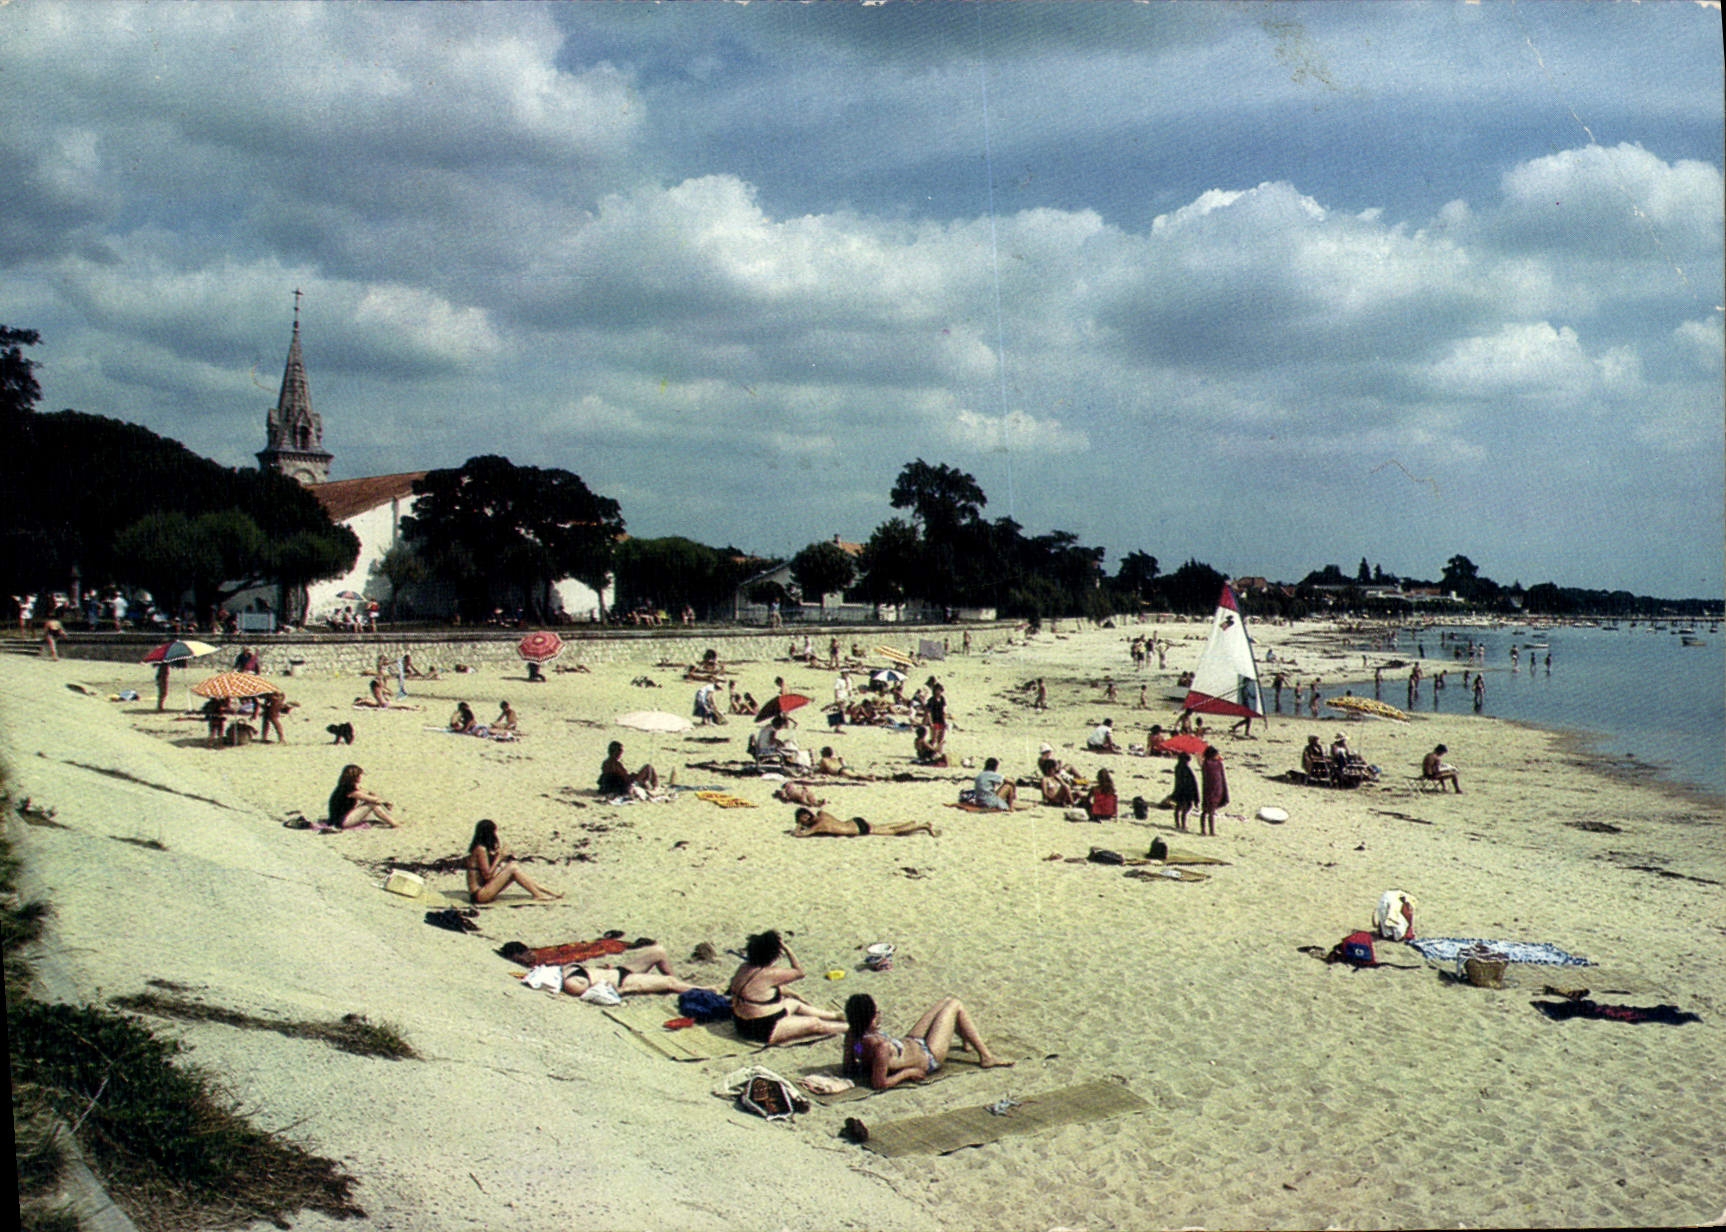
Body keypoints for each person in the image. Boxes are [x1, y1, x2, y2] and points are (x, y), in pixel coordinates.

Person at [841, 993, 1013, 1090]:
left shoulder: (853, 1035)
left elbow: (849, 1067)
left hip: (911, 1042)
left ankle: (966, 1038)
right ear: (871, 1020)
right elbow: (879, 1084)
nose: (879, 1015)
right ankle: (986, 1057)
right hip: (928, 1056)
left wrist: (865, 1061)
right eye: (877, 1013)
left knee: (946, 1000)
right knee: (955, 1005)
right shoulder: (881, 1047)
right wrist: (907, 1073)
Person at [725, 930, 846, 1045]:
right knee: (815, 1023)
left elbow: (759, 990)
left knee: (794, 1003)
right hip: (764, 1029)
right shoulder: (770, 974)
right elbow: (800, 972)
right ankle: (850, 1027)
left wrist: (794, 994)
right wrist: (787, 949)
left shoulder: (744, 968)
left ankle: (834, 1016)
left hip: (741, 1023)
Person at [465, 819, 560, 903]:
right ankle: (538, 894)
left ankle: (542, 890)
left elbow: (487, 876)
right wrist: (499, 858)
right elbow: (487, 875)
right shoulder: (480, 849)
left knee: (513, 867)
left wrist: (498, 857)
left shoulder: (482, 849)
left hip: (483, 890)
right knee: (512, 868)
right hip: (479, 895)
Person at [558, 943, 700, 997]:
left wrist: (604, 968)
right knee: (669, 982)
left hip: (621, 970)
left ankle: (678, 985)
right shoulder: (572, 983)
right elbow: (597, 993)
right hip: (624, 981)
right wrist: (625, 990)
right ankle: (705, 990)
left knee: (659, 951)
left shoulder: (567, 969)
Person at [792, 807, 937, 838]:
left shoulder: (818, 826)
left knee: (893, 832)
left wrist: (799, 826)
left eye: (801, 819)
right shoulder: (822, 814)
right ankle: (909, 822)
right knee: (883, 825)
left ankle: (922, 826)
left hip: (858, 830)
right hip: (855, 821)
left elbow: (800, 835)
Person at [328, 764, 398, 827]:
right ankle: (394, 823)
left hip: (339, 818)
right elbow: (372, 799)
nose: (360, 777)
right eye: (359, 776)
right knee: (372, 805)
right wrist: (385, 803)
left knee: (372, 803)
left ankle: (392, 821)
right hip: (341, 821)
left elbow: (368, 793)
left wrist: (375, 796)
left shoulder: (345, 786)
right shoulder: (350, 791)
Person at [1199, 745, 1228, 836]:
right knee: (1208, 811)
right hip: (1209, 790)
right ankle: (1208, 831)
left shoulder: (1218, 764)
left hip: (1217, 790)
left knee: (1209, 811)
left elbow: (1222, 777)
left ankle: (1207, 830)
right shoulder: (1207, 764)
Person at [1170, 751, 1199, 832]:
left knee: (1178, 807)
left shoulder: (1178, 767)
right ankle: (1182, 824)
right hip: (1186, 791)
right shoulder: (1186, 769)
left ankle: (1178, 823)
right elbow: (1191, 782)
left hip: (1179, 790)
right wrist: (1195, 796)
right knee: (1185, 808)